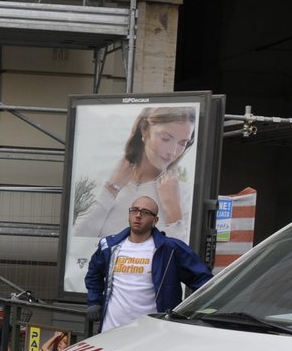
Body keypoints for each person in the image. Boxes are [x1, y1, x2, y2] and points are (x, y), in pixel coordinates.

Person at [73, 106, 198, 249]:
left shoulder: (184, 194)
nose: (173, 151)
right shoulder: (101, 179)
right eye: (165, 138)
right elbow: (77, 243)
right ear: (144, 128)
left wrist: (172, 210)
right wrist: (110, 190)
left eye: (183, 143)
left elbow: (181, 258)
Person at [85, 195, 213, 333]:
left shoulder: (169, 248)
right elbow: (94, 273)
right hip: (111, 330)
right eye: (134, 210)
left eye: (145, 212)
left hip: (150, 334)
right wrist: (94, 301)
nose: (138, 215)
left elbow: (203, 280)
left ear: (155, 220)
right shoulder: (110, 246)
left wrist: (192, 312)